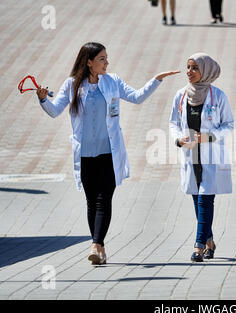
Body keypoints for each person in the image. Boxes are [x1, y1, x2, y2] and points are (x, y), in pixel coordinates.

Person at [36, 42, 179, 265]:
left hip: (109, 153)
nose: (107, 62)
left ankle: (95, 243)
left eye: (107, 58)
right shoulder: (72, 85)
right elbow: (54, 111)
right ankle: (100, 248)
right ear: (89, 62)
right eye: (102, 59)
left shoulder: (112, 81)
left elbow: (137, 97)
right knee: (91, 202)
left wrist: (157, 79)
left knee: (104, 199)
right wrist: (43, 99)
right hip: (84, 155)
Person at [169, 53, 234, 262]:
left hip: (210, 154)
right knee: (197, 200)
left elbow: (229, 125)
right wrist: (178, 140)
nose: (189, 72)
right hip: (190, 155)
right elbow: (173, 123)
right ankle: (210, 241)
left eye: (195, 68)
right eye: (188, 67)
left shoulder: (219, 96)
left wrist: (211, 136)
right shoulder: (180, 96)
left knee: (206, 200)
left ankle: (198, 246)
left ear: (206, 71)